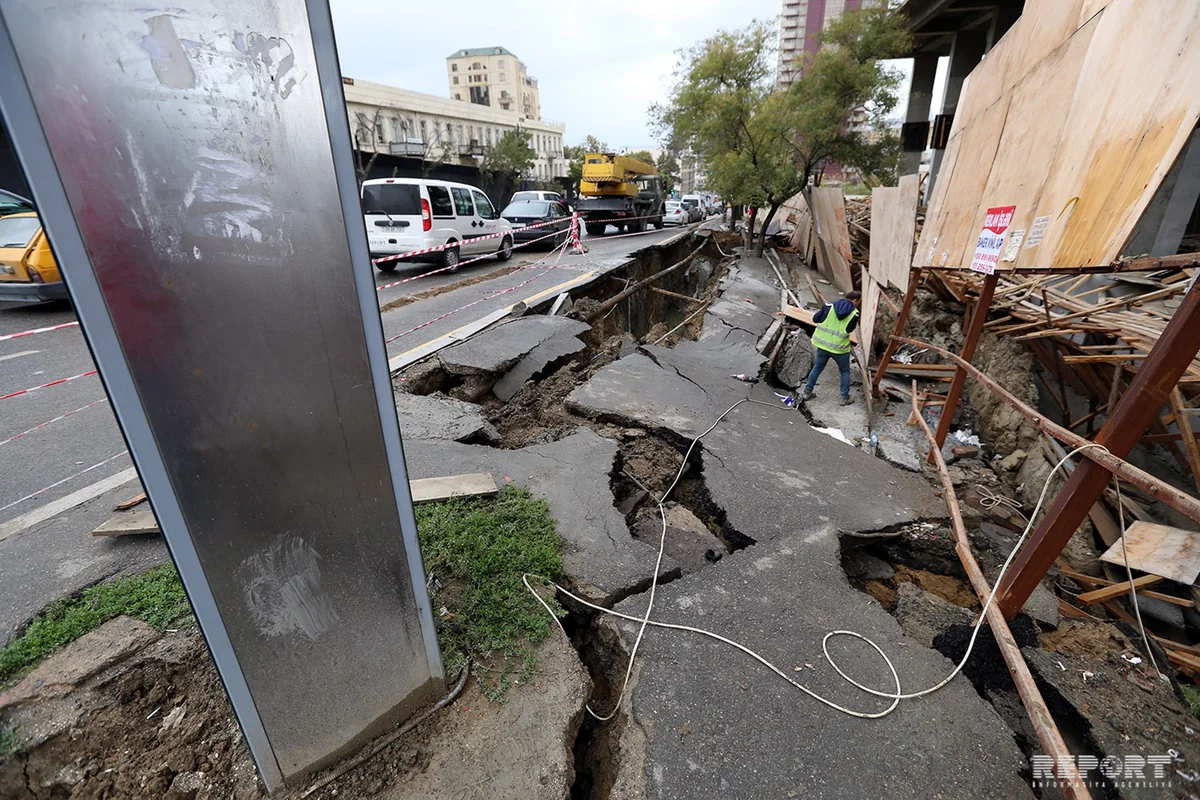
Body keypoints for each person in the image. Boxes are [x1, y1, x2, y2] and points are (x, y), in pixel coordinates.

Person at [802, 290, 861, 406]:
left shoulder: (829, 306)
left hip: (823, 345)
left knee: (817, 368)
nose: (858, 304)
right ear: (855, 301)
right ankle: (844, 398)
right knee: (844, 371)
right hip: (839, 349)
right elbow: (849, 330)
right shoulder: (854, 313)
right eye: (858, 302)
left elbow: (815, 319)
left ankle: (807, 393)